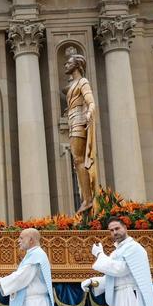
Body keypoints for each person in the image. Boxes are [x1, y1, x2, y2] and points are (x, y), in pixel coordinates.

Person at [63, 54, 98, 214]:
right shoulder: (74, 84)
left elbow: (90, 100)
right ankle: (86, 198)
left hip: (79, 120)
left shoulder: (83, 82)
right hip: (72, 121)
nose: (65, 65)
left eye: (69, 62)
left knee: (79, 160)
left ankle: (88, 199)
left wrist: (90, 112)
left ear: (77, 65)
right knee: (76, 161)